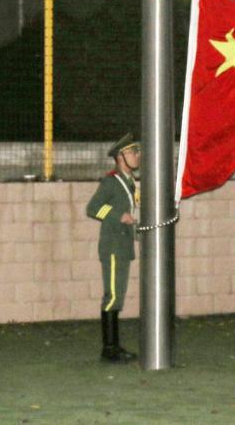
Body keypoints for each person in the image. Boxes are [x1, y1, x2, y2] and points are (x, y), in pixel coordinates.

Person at [85, 133, 140, 363]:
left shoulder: (129, 181)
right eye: (132, 152)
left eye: (136, 152)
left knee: (117, 296)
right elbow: (92, 208)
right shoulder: (111, 181)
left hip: (123, 244)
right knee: (113, 296)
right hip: (113, 245)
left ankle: (114, 346)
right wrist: (119, 216)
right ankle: (109, 349)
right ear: (120, 157)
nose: (137, 156)